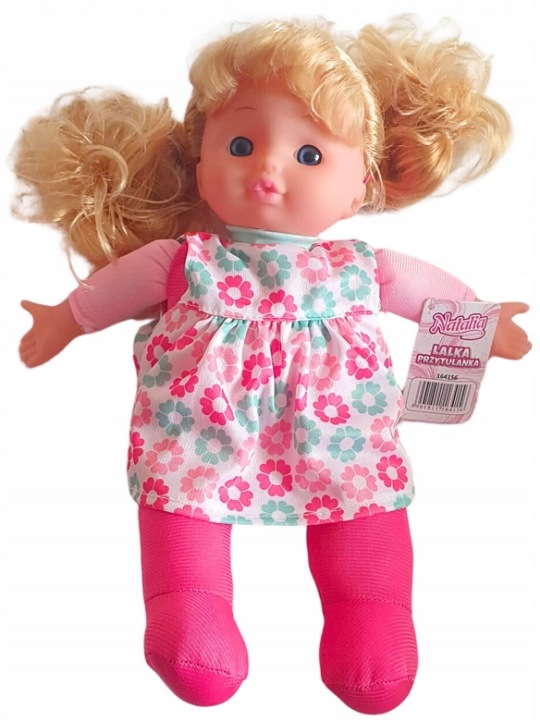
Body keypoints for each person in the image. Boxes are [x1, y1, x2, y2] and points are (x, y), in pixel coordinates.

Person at [13, 17, 531, 714]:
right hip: (203, 432)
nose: (267, 168)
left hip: (338, 436)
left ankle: (370, 618)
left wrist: (481, 323)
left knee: (363, 504)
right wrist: (63, 320)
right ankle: (188, 613)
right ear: (200, 164)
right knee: (180, 500)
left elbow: (432, 296)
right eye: (239, 144)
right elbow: (108, 294)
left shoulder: (362, 267)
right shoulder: (186, 261)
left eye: (310, 154)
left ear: (361, 186)